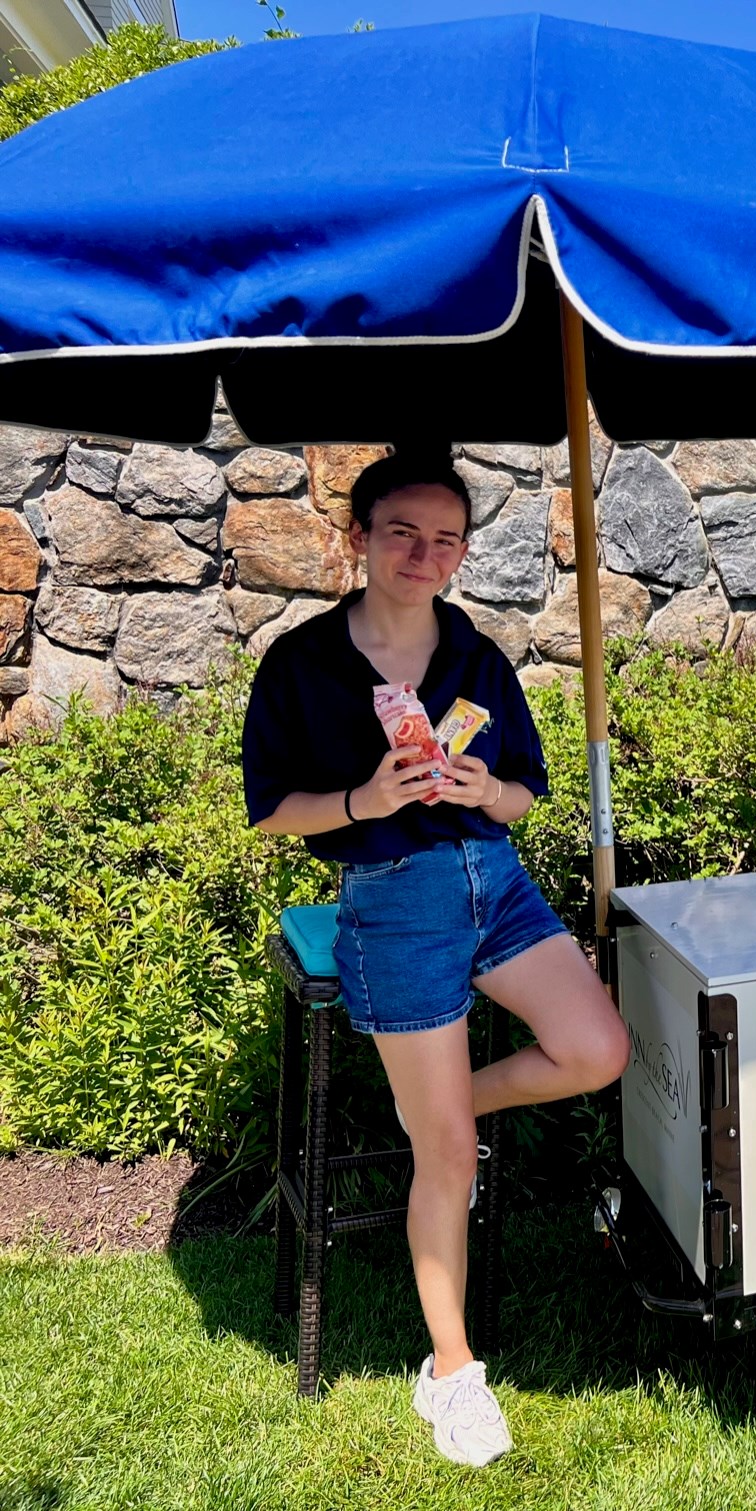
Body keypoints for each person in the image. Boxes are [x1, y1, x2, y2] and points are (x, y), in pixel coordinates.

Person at [242, 448, 629, 1467]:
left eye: (445, 538)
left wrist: (483, 790)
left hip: (494, 882)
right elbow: (273, 810)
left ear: (461, 553)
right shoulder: (302, 665)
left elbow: (525, 790)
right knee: (449, 1158)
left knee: (597, 1048)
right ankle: (451, 1372)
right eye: (403, 532)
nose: (425, 554)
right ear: (360, 537)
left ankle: (444, 1110)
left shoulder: (474, 655)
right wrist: (364, 800)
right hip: (394, 900)